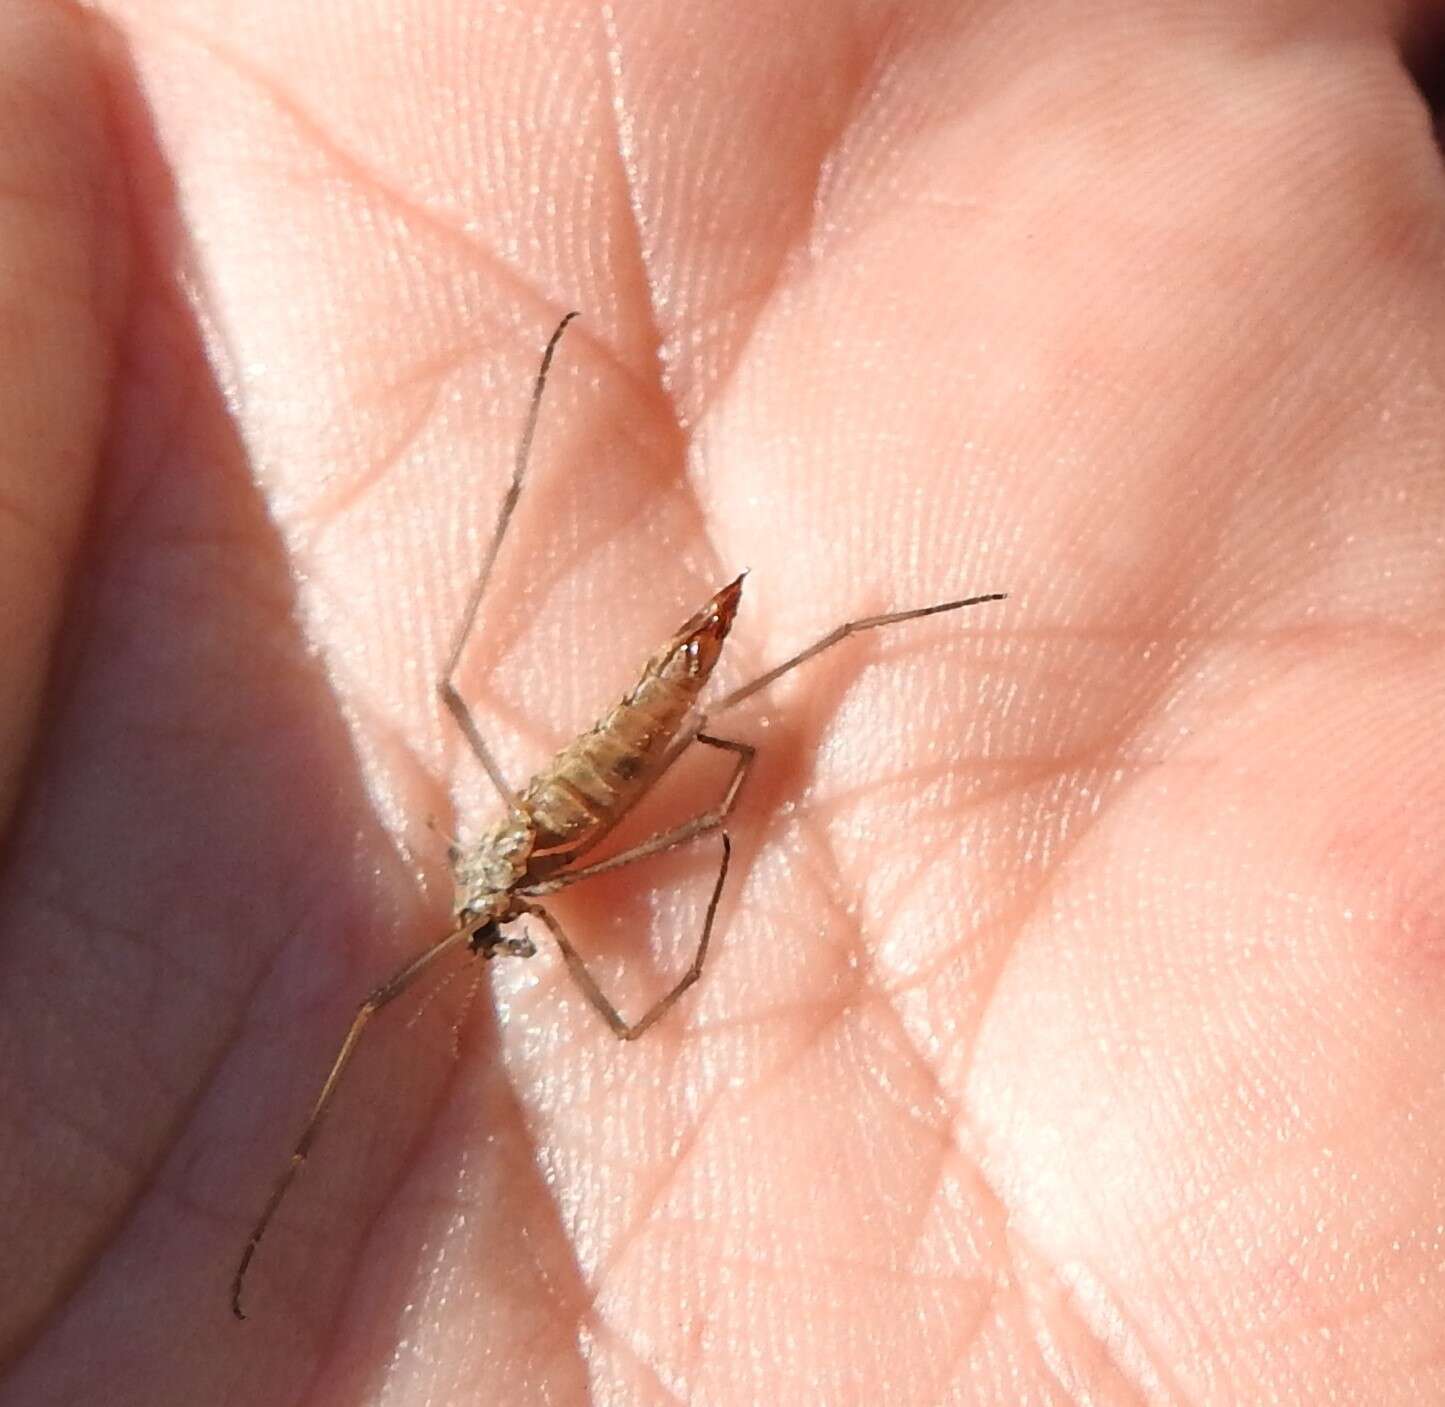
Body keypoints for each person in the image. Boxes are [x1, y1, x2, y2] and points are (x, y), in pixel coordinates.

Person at [2, 2, 1442, 1401]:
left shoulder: (509, 889)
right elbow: (608, 974)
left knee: (534, 725)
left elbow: (541, 948)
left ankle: (861, 624)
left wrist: (714, 825)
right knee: (641, 821)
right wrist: (709, 829)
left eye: (487, 917)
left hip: (634, 752)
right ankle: (843, 644)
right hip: (633, 765)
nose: (483, 924)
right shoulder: (520, 892)